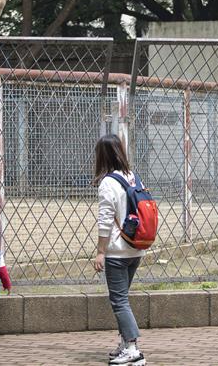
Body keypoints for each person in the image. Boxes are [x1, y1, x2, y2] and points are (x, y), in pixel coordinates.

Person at [93, 134, 147, 366]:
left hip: (116, 251)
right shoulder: (133, 177)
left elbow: (105, 221)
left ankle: (133, 349)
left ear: (102, 156)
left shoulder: (108, 183)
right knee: (122, 298)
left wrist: (100, 252)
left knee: (119, 301)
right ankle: (125, 343)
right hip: (136, 248)